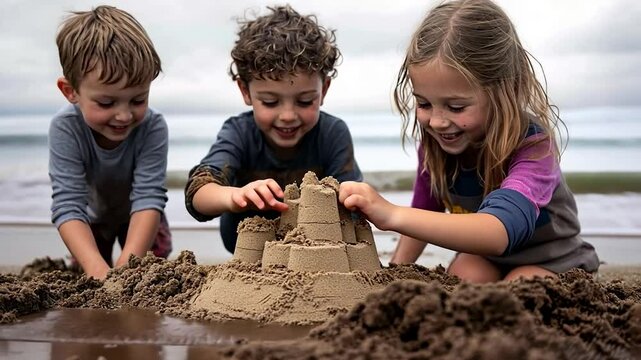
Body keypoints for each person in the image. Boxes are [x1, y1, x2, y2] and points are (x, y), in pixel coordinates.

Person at [339, 0, 599, 282]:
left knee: (522, 285)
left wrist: (390, 214)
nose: (437, 122)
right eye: (425, 104)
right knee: (463, 276)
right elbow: (425, 212)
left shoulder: (534, 147)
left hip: (553, 258)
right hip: (487, 257)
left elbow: (498, 232)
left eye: (456, 107)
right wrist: (392, 275)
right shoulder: (436, 145)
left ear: (505, 90)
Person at [185, 5, 362, 254]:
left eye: (304, 101)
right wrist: (235, 196)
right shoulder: (239, 133)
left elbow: (353, 204)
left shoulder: (332, 133)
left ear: (324, 90)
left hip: (316, 256)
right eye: (270, 102)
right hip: (248, 254)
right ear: (245, 91)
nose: (288, 116)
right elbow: (198, 194)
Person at [49, 5, 171, 280]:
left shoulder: (153, 126)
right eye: (106, 102)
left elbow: (149, 197)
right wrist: (96, 268)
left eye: (138, 100)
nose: (124, 115)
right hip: (91, 219)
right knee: (90, 274)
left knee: (150, 278)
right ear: (71, 91)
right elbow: (68, 203)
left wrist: (126, 269)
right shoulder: (65, 128)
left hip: (141, 219)